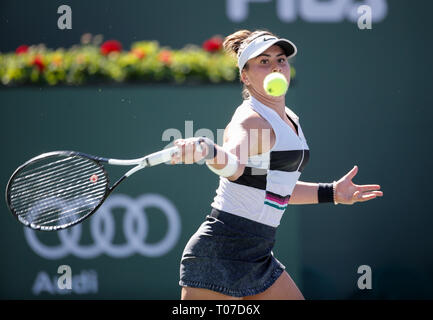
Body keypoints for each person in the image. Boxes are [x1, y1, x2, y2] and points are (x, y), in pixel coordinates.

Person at [169, 29, 383, 300]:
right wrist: (209, 150)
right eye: (264, 61)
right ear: (244, 76)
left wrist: (333, 193)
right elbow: (233, 166)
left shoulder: (288, 117)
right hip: (219, 254)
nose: (276, 67)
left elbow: (272, 189)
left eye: (280, 60)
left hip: (259, 254)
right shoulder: (252, 122)